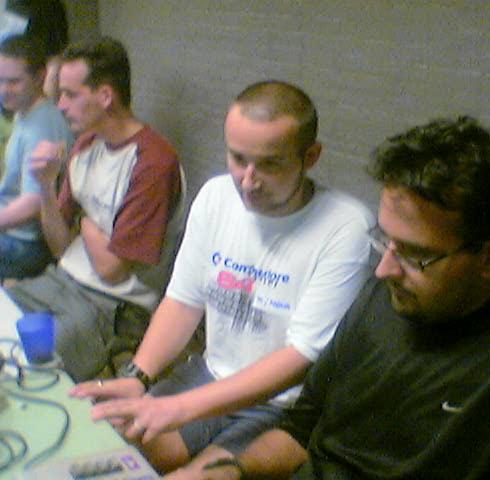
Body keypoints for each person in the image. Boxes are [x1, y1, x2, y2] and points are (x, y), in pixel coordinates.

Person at [192, 117, 490, 480]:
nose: (384, 269)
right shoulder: (383, 299)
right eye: (384, 240)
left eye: (414, 255)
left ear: (489, 258)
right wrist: (236, 470)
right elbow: (300, 431)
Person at [70, 80, 375, 475]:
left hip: (282, 404)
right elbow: (183, 302)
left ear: (310, 157)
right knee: (110, 454)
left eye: (270, 164)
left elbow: (300, 356)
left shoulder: (345, 226)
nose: (248, 180)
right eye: (238, 158)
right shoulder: (216, 196)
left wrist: (179, 407)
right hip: (208, 375)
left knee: (195, 476)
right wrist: (138, 375)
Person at [7, 36, 182, 382]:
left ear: (105, 96)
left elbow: (112, 270)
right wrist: (45, 185)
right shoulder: (86, 145)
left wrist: (85, 222)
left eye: (70, 95)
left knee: (28, 369)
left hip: (116, 306)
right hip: (61, 280)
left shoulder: (154, 162)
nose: (59, 106)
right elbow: (60, 247)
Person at [0, 34, 73, 279]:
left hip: (25, 243)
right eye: (0, 80)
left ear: (40, 76)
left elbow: (33, 203)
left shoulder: (43, 126)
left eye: (13, 82)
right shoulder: (25, 111)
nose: (3, 91)